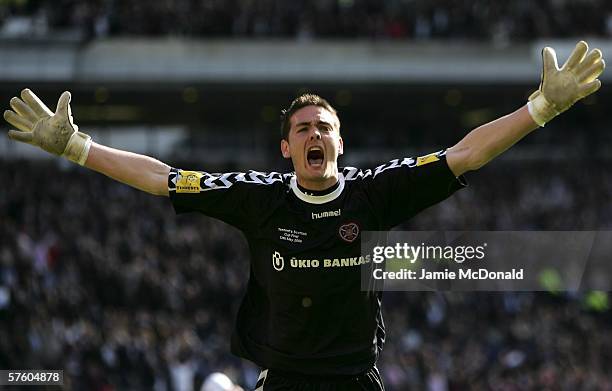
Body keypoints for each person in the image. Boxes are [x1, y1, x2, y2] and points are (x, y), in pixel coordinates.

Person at [3, 41, 604, 390]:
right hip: (284, 380)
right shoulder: (259, 197)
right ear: (286, 149)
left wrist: (542, 107)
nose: (314, 134)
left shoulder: (374, 193)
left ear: (340, 144)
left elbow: (464, 154)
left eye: (324, 128)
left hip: (352, 379)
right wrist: (77, 148)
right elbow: (162, 179)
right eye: (301, 129)